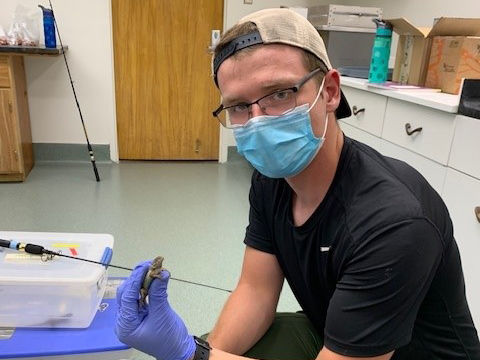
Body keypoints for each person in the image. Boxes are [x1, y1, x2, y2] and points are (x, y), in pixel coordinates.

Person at [115, 8, 480, 360]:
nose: (257, 121)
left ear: (330, 92)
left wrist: (191, 354)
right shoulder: (272, 179)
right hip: (333, 334)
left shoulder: (394, 223)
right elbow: (255, 291)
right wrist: (204, 353)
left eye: (279, 94)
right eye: (239, 106)